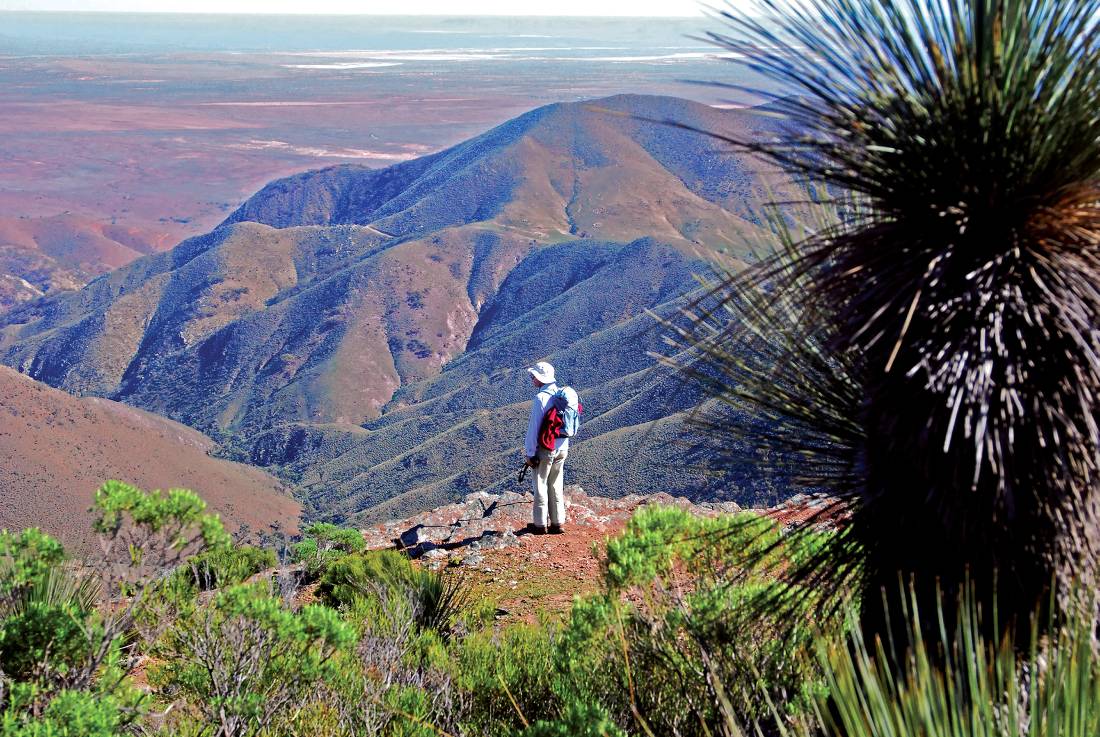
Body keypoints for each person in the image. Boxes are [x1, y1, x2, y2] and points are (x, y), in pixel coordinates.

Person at [524, 361, 568, 535]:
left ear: (540, 379)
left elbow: (533, 428)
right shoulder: (562, 394)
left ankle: (540, 524)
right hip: (563, 446)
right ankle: (558, 523)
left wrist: (530, 452)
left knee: (541, 484)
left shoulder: (541, 398)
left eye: (533, 376)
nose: (532, 379)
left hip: (546, 448)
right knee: (556, 484)